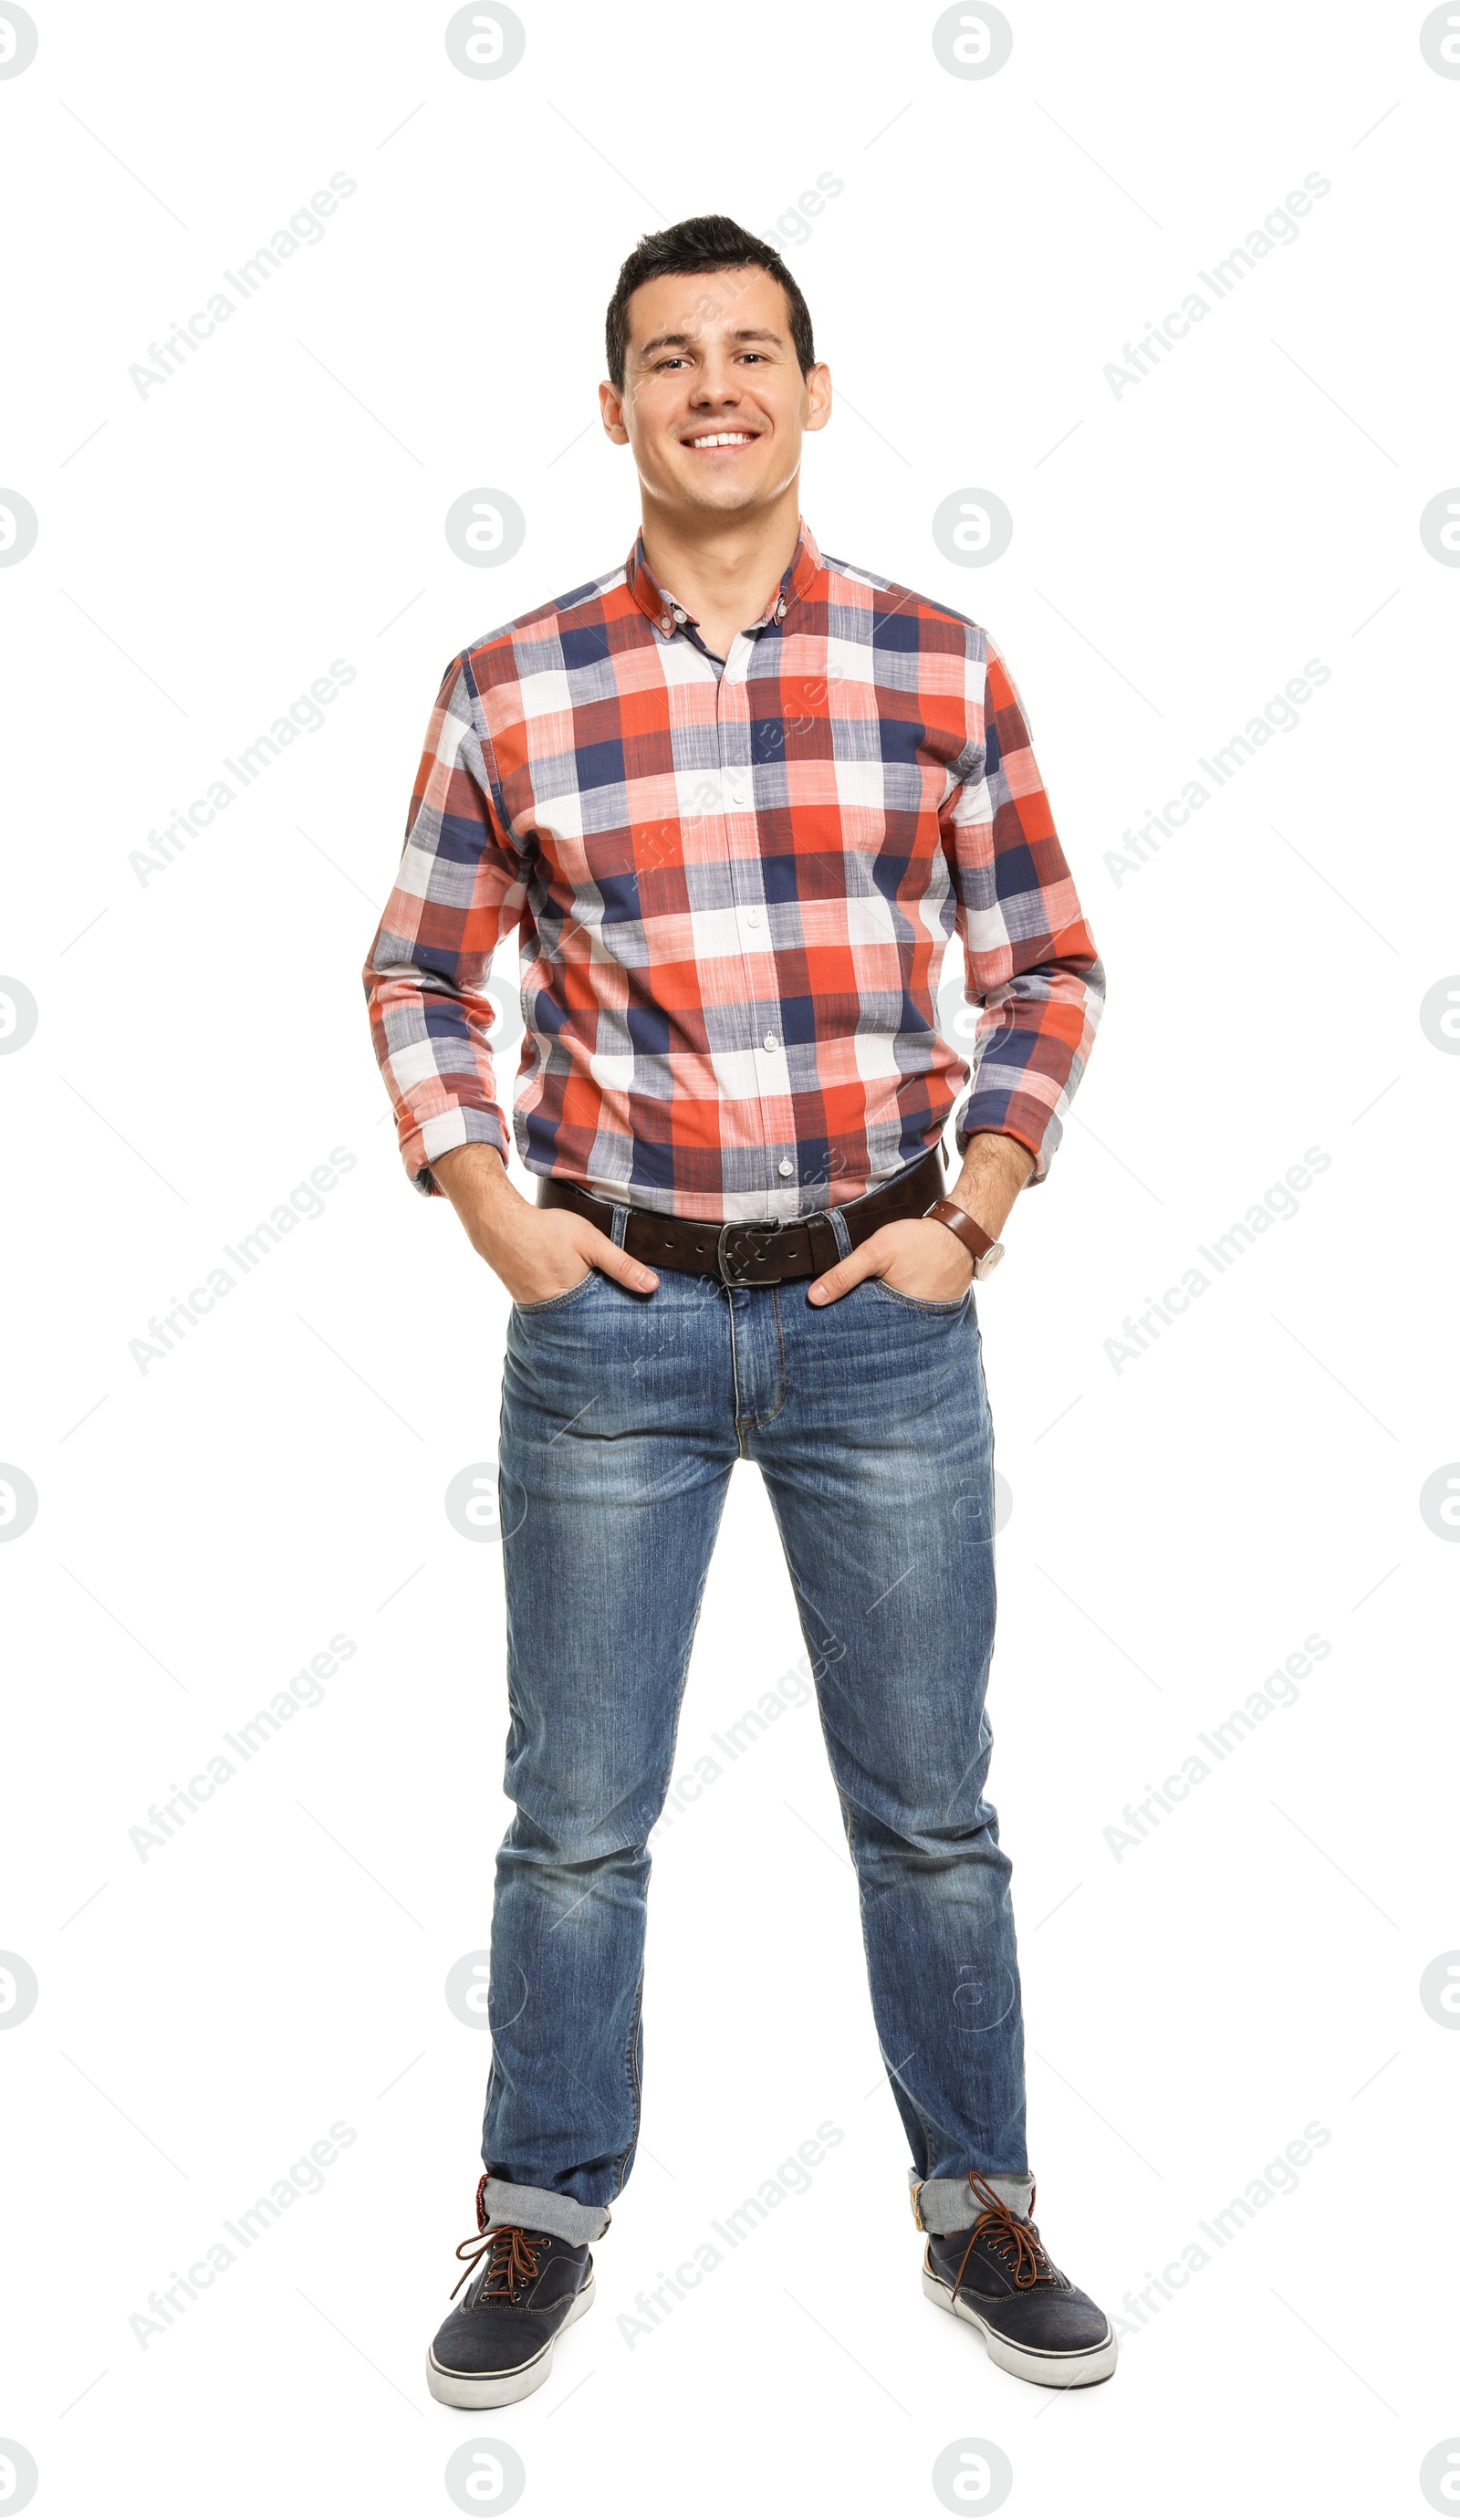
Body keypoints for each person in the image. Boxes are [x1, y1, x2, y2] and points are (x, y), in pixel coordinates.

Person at [363, 213, 1114, 2406]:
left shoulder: (935, 663)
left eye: (752, 352)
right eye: (668, 357)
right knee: (576, 1815)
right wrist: (489, 1203)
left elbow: (1045, 961)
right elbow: (418, 967)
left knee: (931, 1809)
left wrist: (972, 1207)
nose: (714, 387)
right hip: (610, 1323)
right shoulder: (508, 686)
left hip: (884, 1311)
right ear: (610, 409)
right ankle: (537, 2216)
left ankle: (976, 2210)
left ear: (809, 390)